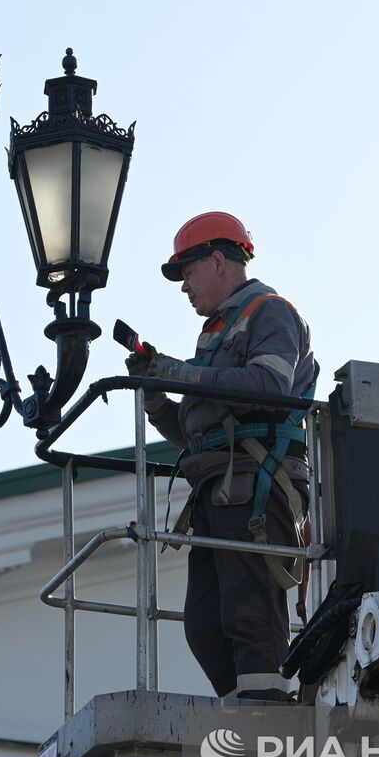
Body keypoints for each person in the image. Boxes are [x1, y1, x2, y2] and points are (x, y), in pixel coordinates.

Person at [126, 212, 318, 702]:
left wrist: (181, 373)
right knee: (206, 624)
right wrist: (156, 393)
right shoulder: (216, 334)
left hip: (256, 483)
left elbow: (269, 386)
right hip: (219, 487)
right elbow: (198, 433)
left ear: (217, 260)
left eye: (187, 272)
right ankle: (243, 708)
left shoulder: (270, 312)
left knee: (249, 609)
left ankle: (266, 713)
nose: (184, 287)